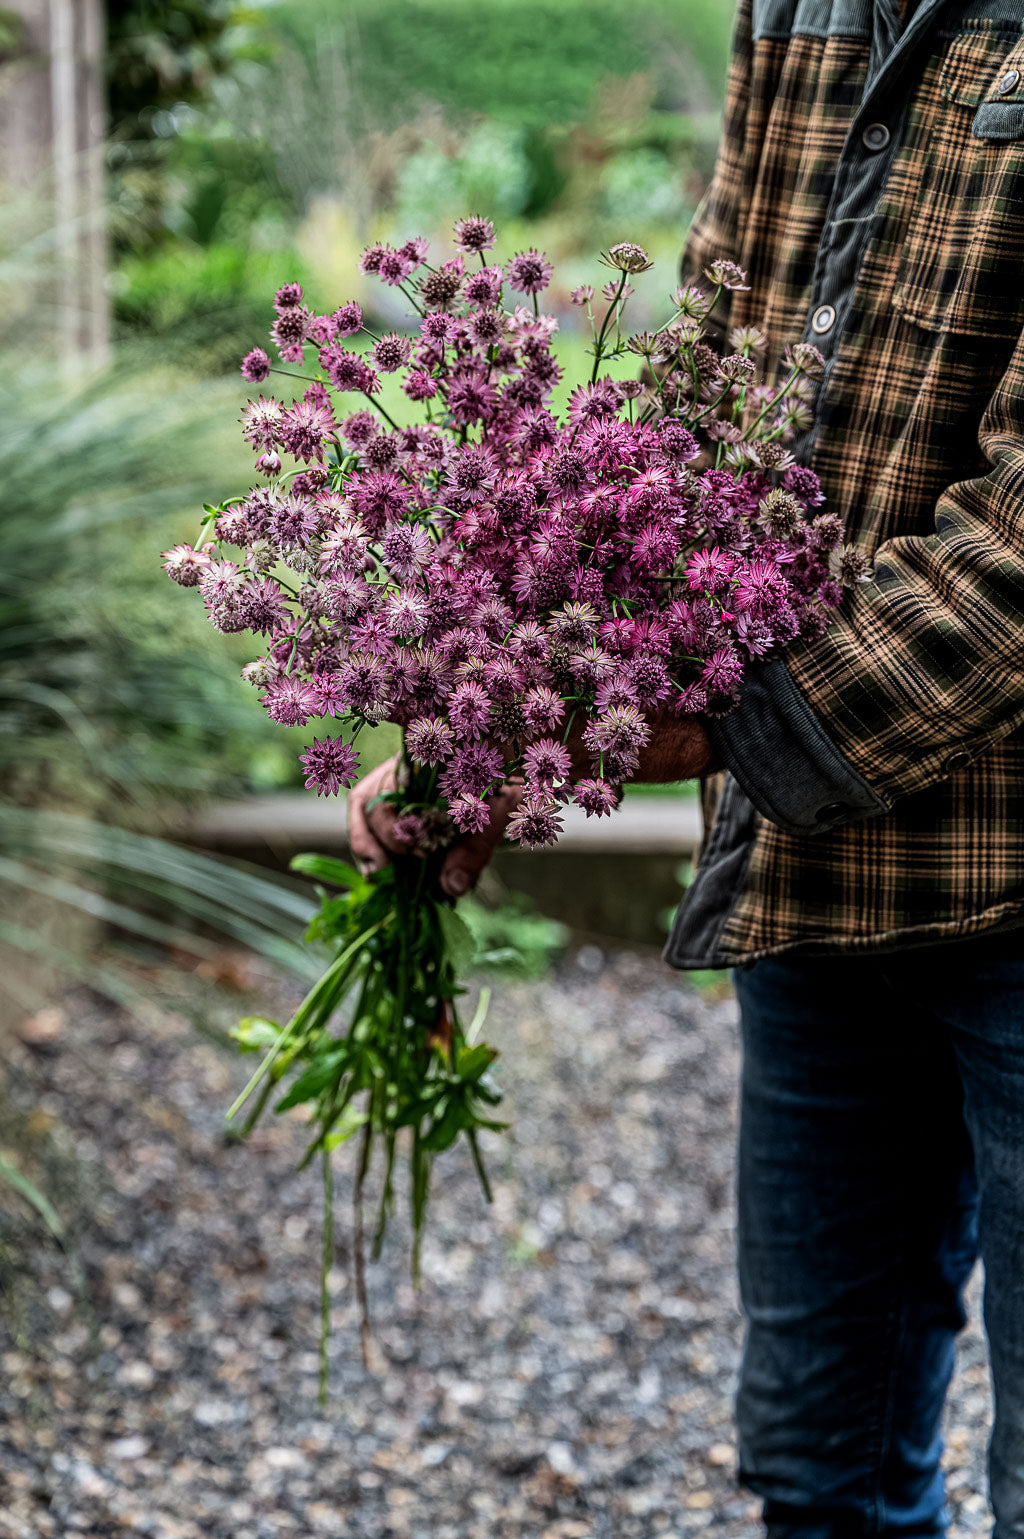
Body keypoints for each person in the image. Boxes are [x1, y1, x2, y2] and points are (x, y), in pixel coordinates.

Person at [350, 0, 1024, 1530]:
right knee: (819, 1466)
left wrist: (711, 719)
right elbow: (716, 352)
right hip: (820, 868)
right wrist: (515, 686)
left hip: (998, 855)